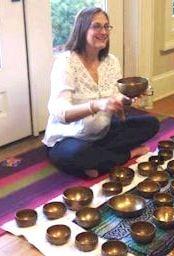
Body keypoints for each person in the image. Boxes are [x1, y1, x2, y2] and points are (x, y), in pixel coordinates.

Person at [42, 7, 159, 178]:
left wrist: (127, 100)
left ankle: (98, 162)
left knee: (151, 124)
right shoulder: (65, 63)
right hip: (69, 138)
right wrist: (96, 105)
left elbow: (118, 109)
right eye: (96, 26)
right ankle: (127, 155)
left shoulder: (111, 62)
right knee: (76, 154)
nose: (103, 32)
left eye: (106, 27)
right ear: (82, 29)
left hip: (102, 132)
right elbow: (60, 113)